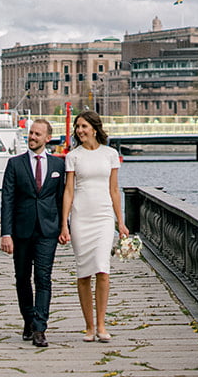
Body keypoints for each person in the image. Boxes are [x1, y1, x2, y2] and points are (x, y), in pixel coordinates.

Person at [60, 109, 129, 343]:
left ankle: (101, 324)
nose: (80, 131)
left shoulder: (110, 154)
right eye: (78, 127)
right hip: (81, 216)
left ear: (94, 129)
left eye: (84, 127)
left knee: (102, 268)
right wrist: (64, 224)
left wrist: (121, 222)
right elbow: (68, 191)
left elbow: (114, 190)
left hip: (103, 217)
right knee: (83, 272)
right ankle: (88, 326)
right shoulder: (73, 156)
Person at [0, 117, 67, 349]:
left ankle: (40, 328)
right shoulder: (15, 164)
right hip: (21, 231)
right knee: (22, 278)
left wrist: (63, 227)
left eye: (38, 134)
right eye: (31, 133)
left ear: (48, 138)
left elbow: (61, 200)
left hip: (48, 230)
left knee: (44, 279)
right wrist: (5, 234)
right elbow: (7, 201)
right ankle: (28, 319)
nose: (32, 137)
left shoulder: (58, 165)